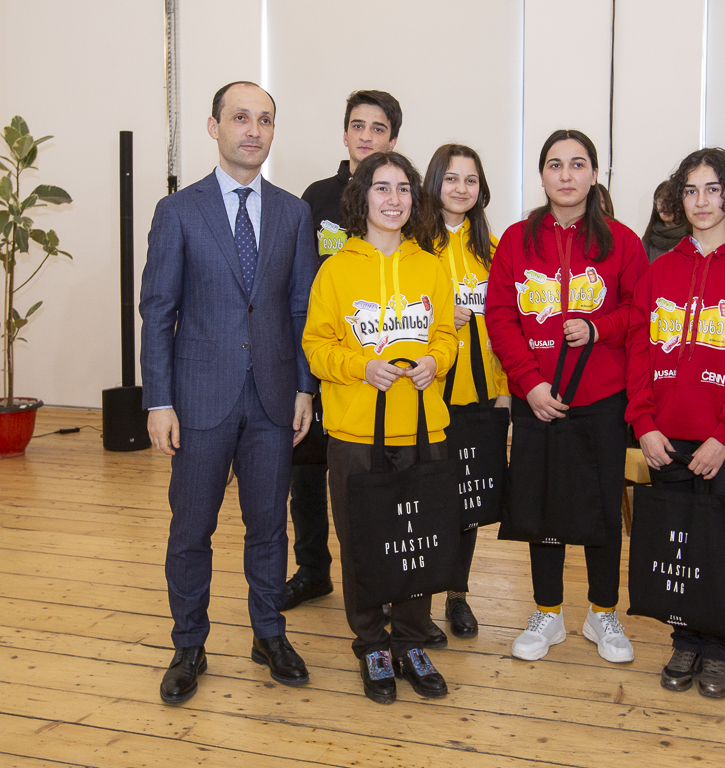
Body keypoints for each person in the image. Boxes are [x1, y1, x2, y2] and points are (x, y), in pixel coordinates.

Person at [140, 81, 318, 704]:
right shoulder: (178, 211)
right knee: (192, 529)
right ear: (213, 126)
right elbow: (157, 311)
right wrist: (158, 400)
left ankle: (269, 634)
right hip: (198, 400)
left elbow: (301, 307)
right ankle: (189, 643)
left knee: (269, 527)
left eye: (264, 120)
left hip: (274, 398)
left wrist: (305, 387)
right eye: (240, 117)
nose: (253, 130)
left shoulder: (293, 213)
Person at [485, 129, 648, 664]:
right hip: (536, 398)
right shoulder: (516, 240)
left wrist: (600, 328)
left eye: (578, 164)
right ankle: (547, 612)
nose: (566, 175)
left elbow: (640, 311)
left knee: (603, 507)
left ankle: (603, 612)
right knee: (541, 507)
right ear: (542, 175)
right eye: (555, 164)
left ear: (594, 175)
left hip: (601, 399)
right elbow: (501, 317)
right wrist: (529, 383)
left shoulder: (623, 241)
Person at [302, 151, 458, 704]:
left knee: (418, 541)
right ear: (362, 196)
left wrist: (435, 360)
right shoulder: (336, 269)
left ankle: (411, 641)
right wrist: (360, 367)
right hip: (355, 433)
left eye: (403, 189)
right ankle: (371, 643)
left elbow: (447, 335)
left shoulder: (431, 266)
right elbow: (316, 346)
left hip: (422, 431)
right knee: (363, 544)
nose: (394, 200)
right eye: (382, 188)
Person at [626, 147, 725, 698]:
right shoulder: (660, 271)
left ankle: (717, 646)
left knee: (714, 542)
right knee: (677, 539)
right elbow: (638, 352)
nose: (701, 201)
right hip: (664, 433)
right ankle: (683, 639)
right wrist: (644, 423)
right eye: (691, 190)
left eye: (712, 189)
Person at [283, 90, 403, 614]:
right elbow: (295, 279)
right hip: (324, 361)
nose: (366, 136)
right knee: (307, 475)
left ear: (392, 139)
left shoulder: (401, 198)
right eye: (358, 125)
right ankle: (313, 571)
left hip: (382, 369)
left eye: (378, 128)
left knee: (378, 483)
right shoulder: (316, 197)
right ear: (346, 132)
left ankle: (385, 580)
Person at [420, 144, 510, 640]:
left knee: (467, 501)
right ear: (434, 183)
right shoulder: (411, 246)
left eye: (470, 180)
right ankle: (415, 600)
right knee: (426, 497)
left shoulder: (495, 251)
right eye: (451, 178)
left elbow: (509, 328)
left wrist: (504, 392)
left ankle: (457, 595)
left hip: (479, 396)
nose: (460, 188)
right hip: (424, 396)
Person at [642, 180, 688, 262]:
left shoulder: (692, 237)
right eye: (660, 201)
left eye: (670, 202)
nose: (665, 207)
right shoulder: (648, 240)